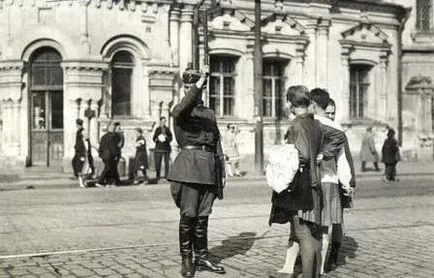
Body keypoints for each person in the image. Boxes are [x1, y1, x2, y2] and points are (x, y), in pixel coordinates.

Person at [167, 67, 226, 278]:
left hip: (209, 168)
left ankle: (202, 256)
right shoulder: (181, 110)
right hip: (189, 168)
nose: (196, 90)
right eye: (191, 86)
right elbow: (178, 111)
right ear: (185, 88)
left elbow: (217, 142)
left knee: (203, 217)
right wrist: (199, 84)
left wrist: (222, 171)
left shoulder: (209, 113)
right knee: (189, 215)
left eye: (199, 86)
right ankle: (186, 258)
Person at [269, 85, 325, 278]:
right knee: (313, 231)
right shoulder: (315, 123)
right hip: (314, 181)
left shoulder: (297, 124)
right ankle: (315, 274)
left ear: (291, 104)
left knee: (301, 232)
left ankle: (308, 275)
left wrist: (281, 155)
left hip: (300, 182)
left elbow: (301, 156)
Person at [309, 89, 352, 274]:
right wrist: (347, 182)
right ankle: (318, 269)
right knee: (325, 228)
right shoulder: (338, 129)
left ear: (312, 105)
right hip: (330, 181)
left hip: (310, 182)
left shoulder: (306, 124)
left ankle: (309, 265)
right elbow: (343, 160)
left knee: (309, 227)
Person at [324, 98, 356, 272]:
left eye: (333, 112)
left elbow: (347, 157)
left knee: (337, 220)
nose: (330, 116)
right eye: (327, 112)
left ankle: (334, 254)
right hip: (325, 179)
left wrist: (351, 183)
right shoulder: (318, 127)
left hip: (338, 181)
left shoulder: (338, 130)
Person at [96, 123, 120, 187]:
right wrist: (116, 155)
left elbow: (101, 147)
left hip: (104, 155)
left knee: (110, 168)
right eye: (114, 128)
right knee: (108, 168)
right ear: (111, 129)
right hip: (110, 156)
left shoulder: (104, 136)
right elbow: (113, 147)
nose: (114, 130)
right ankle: (100, 181)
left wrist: (101, 154)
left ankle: (109, 182)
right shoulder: (112, 137)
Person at [153, 116, 173, 182]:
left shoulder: (167, 129)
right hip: (159, 148)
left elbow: (171, 138)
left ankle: (167, 176)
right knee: (158, 162)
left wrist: (167, 137)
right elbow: (154, 138)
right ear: (160, 121)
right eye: (162, 121)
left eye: (165, 121)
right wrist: (158, 138)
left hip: (166, 148)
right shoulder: (157, 129)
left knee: (166, 163)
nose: (164, 122)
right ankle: (158, 176)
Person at [72, 119, 86, 187]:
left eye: (77, 124)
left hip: (80, 152)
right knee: (75, 163)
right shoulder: (79, 131)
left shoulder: (81, 132)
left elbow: (82, 143)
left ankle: (82, 181)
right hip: (78, 151)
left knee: (80, 167)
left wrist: (83, 154)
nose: (76, 126)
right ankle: (81, 180)